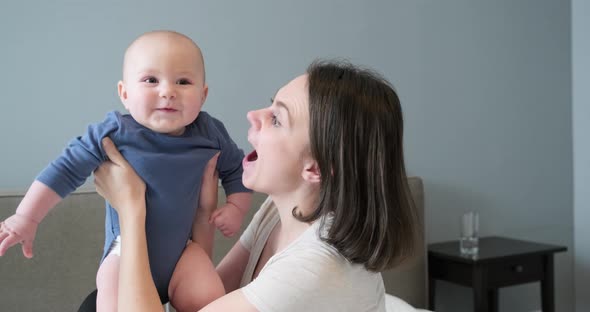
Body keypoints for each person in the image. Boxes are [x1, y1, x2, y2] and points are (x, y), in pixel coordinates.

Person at [93, 60, 419, 311]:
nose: (253, 115)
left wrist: (131, 211)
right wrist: (203, 217)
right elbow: (198, 303)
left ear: (315, 168)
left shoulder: (314, 268)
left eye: (277, 119)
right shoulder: (287, 211)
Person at [0, 30, 252, 311]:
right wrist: (27, 216)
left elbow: (236, 170)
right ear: (125, 93)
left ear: (203, 95)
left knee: (210, 300)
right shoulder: (115, 132)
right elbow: (66, 168)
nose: (167, 91)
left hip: (183, 253)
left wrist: (236, 206)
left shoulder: (210, 133)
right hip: (124, 254)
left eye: (183, 81)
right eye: (151, 80)